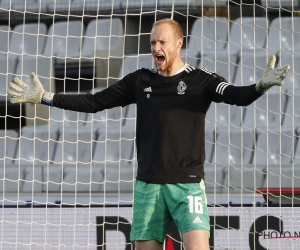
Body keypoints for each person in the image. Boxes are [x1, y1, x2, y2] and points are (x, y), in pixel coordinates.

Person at [7, 18, 289, 250]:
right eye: (153, 42)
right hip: (148, 185)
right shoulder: (140, 80)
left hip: (187, 184)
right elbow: (95, 103)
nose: (156, 46)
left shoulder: (200, 80)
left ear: (179, 43)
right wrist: (46, 97)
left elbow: (236, 96)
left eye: (162, 41)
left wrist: (259, 86)